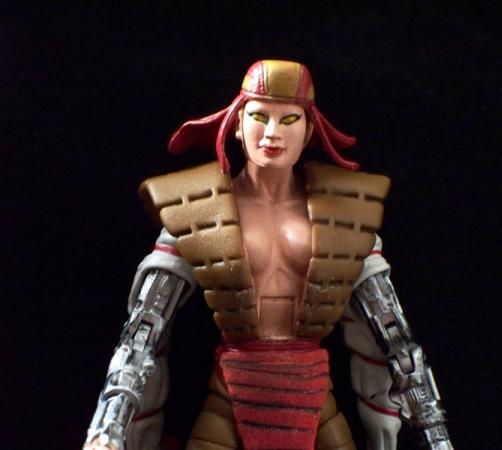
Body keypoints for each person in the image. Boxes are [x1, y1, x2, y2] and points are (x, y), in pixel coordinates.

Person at [84, 60, 453, 450]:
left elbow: (395, 338)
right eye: (259, 116)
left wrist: (437, 436)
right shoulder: (196, 209)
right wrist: (107, 429)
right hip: (231, 391)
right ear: (237, 125)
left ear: (308, 130)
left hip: (313, 392)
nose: (272, 133)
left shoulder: (346, 215)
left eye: (289, 119)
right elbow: (143, 332)